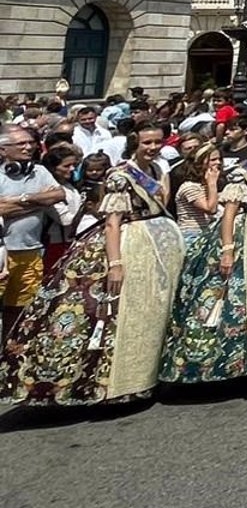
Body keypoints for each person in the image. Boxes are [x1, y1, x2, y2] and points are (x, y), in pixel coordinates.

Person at [3, 125, 184, 407]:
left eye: (157, 142)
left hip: (158, 246)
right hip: (130, 244)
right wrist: (115, 264)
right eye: (147, 142)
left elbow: (161, 203)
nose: (153, 147)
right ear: (134, 144)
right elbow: (112, 222)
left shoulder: (158, 170)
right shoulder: (121, 176)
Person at [160, 122, 247, 384]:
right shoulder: (243, 172)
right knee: (246, 296)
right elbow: (228, 214)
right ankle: (242, 361)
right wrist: (227, 250)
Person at [1, 124, 69, 341]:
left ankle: (9, 349)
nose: (28, 147)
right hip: (3, 254)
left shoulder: (39, 171)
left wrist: (21, 199)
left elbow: (59, 195)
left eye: (31, 142)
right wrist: (39, 202)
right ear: (3, 149)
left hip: (30, 251)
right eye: (21, 143)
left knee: (20, 308)